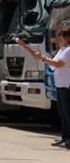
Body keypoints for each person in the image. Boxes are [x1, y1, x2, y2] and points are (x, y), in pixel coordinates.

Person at [16, 21, 70, 149]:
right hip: (60, 85)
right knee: (62, 113)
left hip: (67, 85)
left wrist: (43, 58)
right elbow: (52, 65)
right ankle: (65, 138)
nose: (59, 40)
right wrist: (41, 58)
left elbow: (58, 64)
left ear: (67, 38)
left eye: (61, 37)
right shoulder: (62, 50)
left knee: (68, 113)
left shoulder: (68, 50)